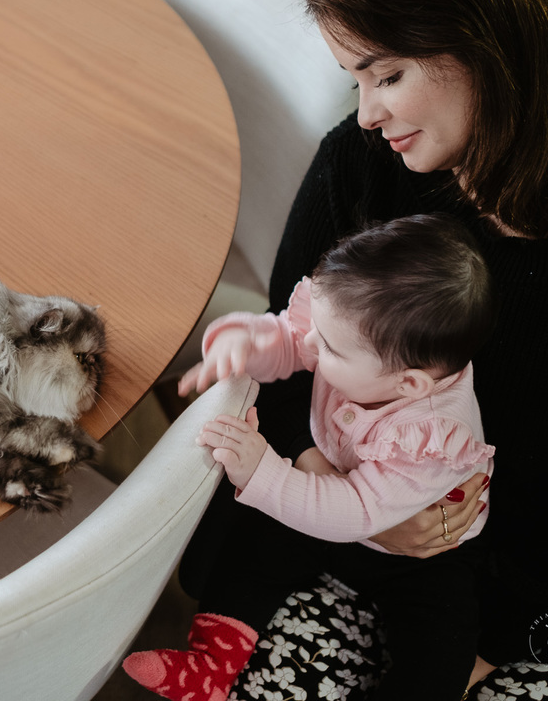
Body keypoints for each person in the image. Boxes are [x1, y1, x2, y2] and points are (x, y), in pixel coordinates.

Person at [175, 0, 548, 698]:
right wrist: (351, 503)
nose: (369, 114)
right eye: (356, 79)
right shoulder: (362, 164)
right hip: (351, 521)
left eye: (388, 75)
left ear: (490, 44)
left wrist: (481, 643)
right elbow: (286, 358)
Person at [124, 214, 496, 701]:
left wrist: (264, 473)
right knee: (254, 539)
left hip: (420, 552)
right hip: (331, 493)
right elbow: (289, 340)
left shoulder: (429, 437)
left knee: (440, 641)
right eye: (317, 330)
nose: (311, 345)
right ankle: (213, 664)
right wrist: (248, 342)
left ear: (408, 385)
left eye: (331, 348)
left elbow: (356, 513)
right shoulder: (354, 336)